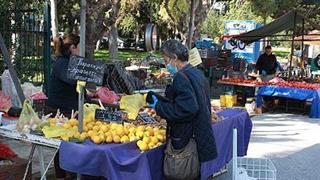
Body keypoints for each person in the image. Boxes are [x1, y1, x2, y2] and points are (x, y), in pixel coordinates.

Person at [146, 40, 217, 177]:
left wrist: (159, 106)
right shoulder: (196, 73)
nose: (166, 65)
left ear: (174, 58)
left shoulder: (181, 77)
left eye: (166, 61)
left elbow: (186, 109)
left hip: (186, 136)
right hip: (199, 134)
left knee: (184, 172)